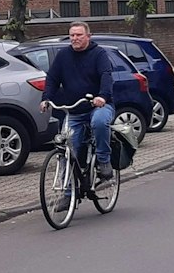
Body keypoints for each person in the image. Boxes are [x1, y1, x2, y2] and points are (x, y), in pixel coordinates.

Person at [41, 21, 117, 182]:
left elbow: (106, 75)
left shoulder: (99, 54)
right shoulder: (63, 56)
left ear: (88, 36)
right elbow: (52, 79)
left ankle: (103, 160)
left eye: (79, 35)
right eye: (72, 35)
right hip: (74, 111)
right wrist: (46, 98)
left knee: (99, 121)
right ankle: (68, 192)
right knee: (68, 151)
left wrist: (102, 96)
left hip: (98, 106)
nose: (75, 38)